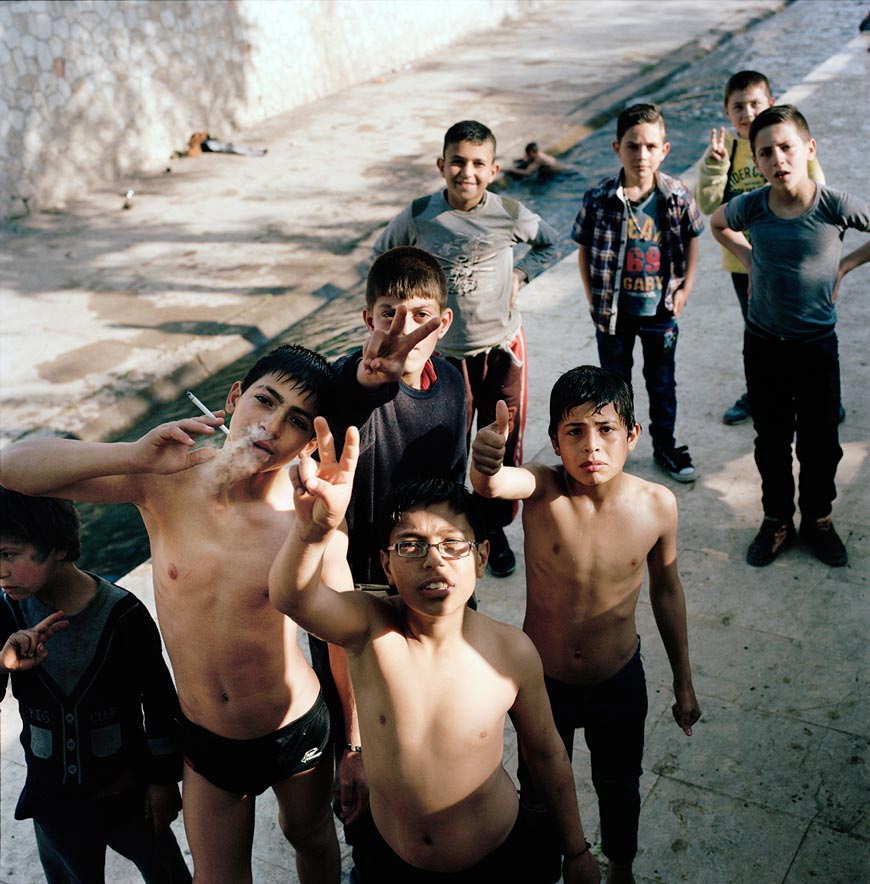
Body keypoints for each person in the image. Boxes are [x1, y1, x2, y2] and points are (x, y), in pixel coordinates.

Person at [0, 345, 365, 884]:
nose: (269, 426)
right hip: (205, 734)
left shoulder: (308, 518)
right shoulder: (165, 480)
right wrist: (129, 455)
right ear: (235, 396)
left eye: (294, 421)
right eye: (264, 400)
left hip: (293, 725)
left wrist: (353, 744)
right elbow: (15, 469)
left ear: (309, 442)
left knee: (311, 839)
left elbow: (346, 639)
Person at [268, 423, 601, 884]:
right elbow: (292, 598)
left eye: (452, 544)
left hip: (501, 856)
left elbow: (546, 755)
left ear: (481, 558)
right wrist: (312, 532)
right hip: (393, 861)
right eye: (411, 545)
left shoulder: (510, 651)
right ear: (386, 563)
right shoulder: (369, 629)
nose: (433, 559)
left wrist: (577, 849)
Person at [470, 366, 701, 884]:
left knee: (619, 785)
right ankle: (548, 868)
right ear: (554, 441)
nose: (591, 446)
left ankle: (620, 867)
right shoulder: (543, 487)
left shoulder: (657, 506)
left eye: (606, 429)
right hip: (542, 684)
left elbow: (668, 592)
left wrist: (684, 681)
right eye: (574, 432)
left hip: (618, 679)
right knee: (540, 790)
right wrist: (485, 463)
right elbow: (496, 483)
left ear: (632, 435)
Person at [373, 119, 562, 578]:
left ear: (494, 169)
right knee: (450, 444)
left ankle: (493, 526)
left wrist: (520, 275)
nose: (467, 172)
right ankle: (460, 523)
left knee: (502, 439)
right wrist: (404, 314)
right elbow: (383, 257)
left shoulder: (509, 212)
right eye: (457, 161)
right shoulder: (420, 215)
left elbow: (550, 244)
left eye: (478, 163)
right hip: (445, 355)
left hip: (502, 347)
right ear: (442, 165)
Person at [1, 488, 191, 884]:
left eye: (8, 554)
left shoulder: (123, 616)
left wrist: (162, 781)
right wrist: (3, 662)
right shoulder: (9, 613)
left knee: (167, 874)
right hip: (53, 803)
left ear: (56, 546)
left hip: (128, 795)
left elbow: (158, 702)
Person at [711, 105, 870, 568]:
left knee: (821, 441)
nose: (777, 158)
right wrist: (748, 255)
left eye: (786, 147)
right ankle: (776, 518)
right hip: (764, 346)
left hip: (817, 346)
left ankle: (817, 518)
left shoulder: (833, 205)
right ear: (757, 162)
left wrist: (844, 264)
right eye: (766, 153)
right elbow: (717, 223)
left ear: (808, 150)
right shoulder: (753, 206)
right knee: (772, 440)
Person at [572, 103, 704, 484]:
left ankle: (665, 444)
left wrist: (686, 287)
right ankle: (615, 451)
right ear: (617, 149)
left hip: (660, 309)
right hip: (613, 312)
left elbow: (694, 239)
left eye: (650, 146)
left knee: (662, 381)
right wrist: (591, 295)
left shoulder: (676, 195)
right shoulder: (599, 197)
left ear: (664, 149)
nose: (641, 155)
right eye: (632, 146)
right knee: (614, 384)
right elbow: (583, 247)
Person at [694, 71, 826, 425]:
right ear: (726, 111)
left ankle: (818, 395)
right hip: (744, 263)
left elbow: (818, 194)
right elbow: (708, 205)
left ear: (771, 103)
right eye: (738, 106)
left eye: (755, 103)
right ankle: (761, 393)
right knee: (759, 333)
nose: (747, 112)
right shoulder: (725, 151)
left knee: (804, 330)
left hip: (791, 260)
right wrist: (715, 167)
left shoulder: (786, 145)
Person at [332, 245, 466, 588]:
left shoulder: (450, 380)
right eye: (389, 314)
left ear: (444, 323)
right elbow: (348, 399)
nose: (404, 330)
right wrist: (368, 379)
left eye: (421, 315)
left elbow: (452, 478)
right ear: (368, 320)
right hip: (360, 578)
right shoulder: (351, 376)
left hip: (429, 566)